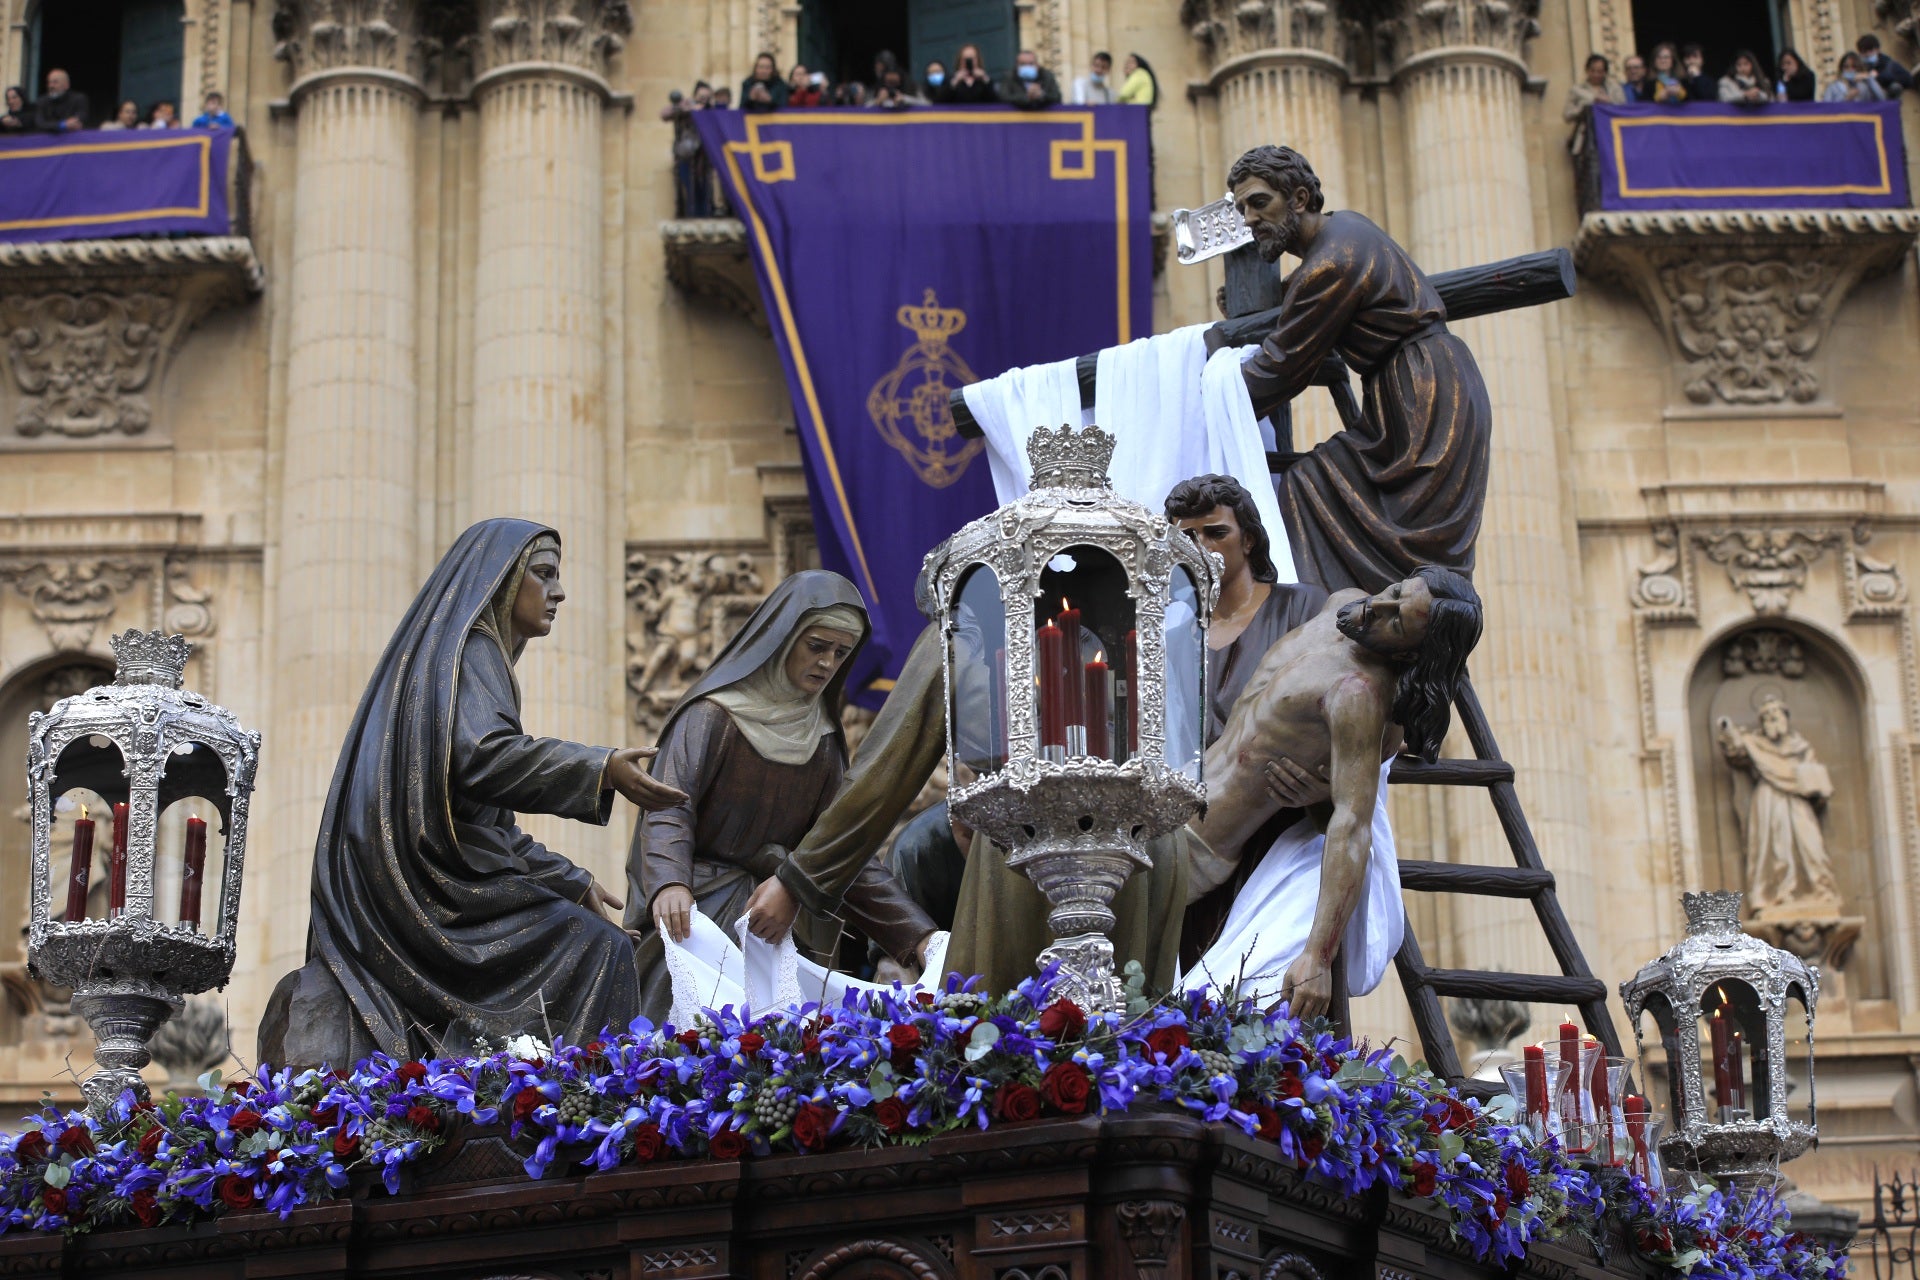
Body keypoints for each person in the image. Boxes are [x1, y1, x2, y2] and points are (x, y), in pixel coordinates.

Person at [264, 520, 689, 1066]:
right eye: (543, 574)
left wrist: (569, 878)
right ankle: (572, 1096)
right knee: (600, 948)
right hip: (430, 890)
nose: (558, 592)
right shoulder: (475, 650)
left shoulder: (454, 657)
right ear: (499, 581)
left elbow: (488, 824)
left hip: (425, 879)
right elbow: (485, 759)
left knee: (590, 937)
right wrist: (600, 769)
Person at [627, 571, 936, 1022]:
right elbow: (670, 804)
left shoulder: (823, 743)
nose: (827, 663)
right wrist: (670, 882)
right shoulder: (711, 716)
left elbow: (839, 848)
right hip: (696, 914)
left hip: (773, 922)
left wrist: (919, 936)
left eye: (841, 653)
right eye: (817, 646)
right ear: (782, 638)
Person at [1186, 568, 1482, 1017]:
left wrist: (1317, 957)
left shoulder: (1359, 697)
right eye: (1395, 592)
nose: (1376, 607)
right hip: (1169, 798)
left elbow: (1352, 826)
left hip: (1195, 847)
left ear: (1408, 653)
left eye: (1396, 621)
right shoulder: (1342, 602)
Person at [1225, 145, 1491, 592]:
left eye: (1259, 202)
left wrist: (1212, 402)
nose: (1249, 219)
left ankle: (1331, 611)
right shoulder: (1345, 229)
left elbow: (1283, 366)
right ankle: (1351, 611)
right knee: (1313, 483)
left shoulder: (1333, 261)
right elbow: (1312, 290)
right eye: (1241, 209)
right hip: (1423, 386)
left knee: (1315, 490)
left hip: (1423, 399)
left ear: (1300, 198)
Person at [1165, 475, 1329, 965]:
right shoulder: (1171, 639)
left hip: (1286, 833)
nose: (1201, 547)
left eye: (1216, 532)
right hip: (1198, 840)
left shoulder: (1302, 608)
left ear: (1249, 539)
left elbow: (1343, 708)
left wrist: (1322, 789)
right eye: (1188, 537)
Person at [663, 83, 715, 217]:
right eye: (701, 96)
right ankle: (689, 215)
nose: (703, 99)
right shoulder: (685, 107)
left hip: (706, 159)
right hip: (687, 155)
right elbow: (665, 114)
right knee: (687, 189)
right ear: (695, 96)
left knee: (705, 190)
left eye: (707, 96)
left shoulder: (712, 111)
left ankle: (705, 215)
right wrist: (689, 109)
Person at [1563, 53, 1622, 156]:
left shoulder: (1614, 88)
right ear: (1587, 70)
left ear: (1605, 72)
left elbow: (1623, 109)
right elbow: (1567, 115)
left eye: (1599, 71)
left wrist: (1609, 103)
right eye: (1592, 71)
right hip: (1587, 138)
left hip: (1611, 136)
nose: (1596, 74)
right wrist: (1589, 104)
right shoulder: (1577, 90)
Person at [1857, 33, 1913, 98]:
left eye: (1870, 51)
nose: (1867, 54)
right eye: (1863, 52)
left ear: (1877, 50)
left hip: (1886, 97)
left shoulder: (1889, 64)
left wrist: (1879, 77)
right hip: (1868, 98)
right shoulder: (1860, 66)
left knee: (1895, 86)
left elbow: (1908, 80)